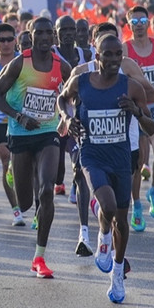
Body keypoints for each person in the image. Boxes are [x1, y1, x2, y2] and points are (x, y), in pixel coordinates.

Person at [59, 34, 154, 303]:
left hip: (121, 158)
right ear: (97, 56)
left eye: (118, 54)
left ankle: (117, 272)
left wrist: (135, 111)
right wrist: (67, 117)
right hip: (92, 156)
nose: (113, 60)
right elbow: (62, 99)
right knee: (108, 206)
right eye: (107, 54)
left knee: (121, 222)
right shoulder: (81, 82)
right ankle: (103, 236)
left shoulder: (132, 87)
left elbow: (151, 126)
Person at [0, 17, 72, 279]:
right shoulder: (18, 63)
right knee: (24, 203)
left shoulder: (63, 67)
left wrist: (69, 117)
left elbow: (72, 99)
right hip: (21, 134)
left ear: (54, 38)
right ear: (31, 36)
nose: (45, 37)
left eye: (49, 33)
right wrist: (18, 116)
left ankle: (39, 256)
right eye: (40, 33)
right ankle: (13, 169)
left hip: (48, 133)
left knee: (47, 190)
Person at [124, 6, 154, 221]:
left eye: (142, 20)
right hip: (136, 109)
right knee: (138, 161)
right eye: (134, 22)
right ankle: (136, 205)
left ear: (149, 22)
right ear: (129, 26)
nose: (139, 25)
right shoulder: (125, 50)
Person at [52, 16, 94, 197]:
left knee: (78, 156)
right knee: (57, 171)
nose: (68, 34)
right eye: (63, 30)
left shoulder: (86, 55)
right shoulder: (51, 53)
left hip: (79, 115)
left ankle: (77, 185)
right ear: (56, 33)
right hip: (55, 115)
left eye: (71, 30)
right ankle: (61, 181)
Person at [0, 23, 24, 226]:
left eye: (9, 39)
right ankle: (16, 210)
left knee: (23, 165)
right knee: (5, 158)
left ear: (15, 40)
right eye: (1, 40)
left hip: (21, 118)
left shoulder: (23, 62)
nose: (6, 43)